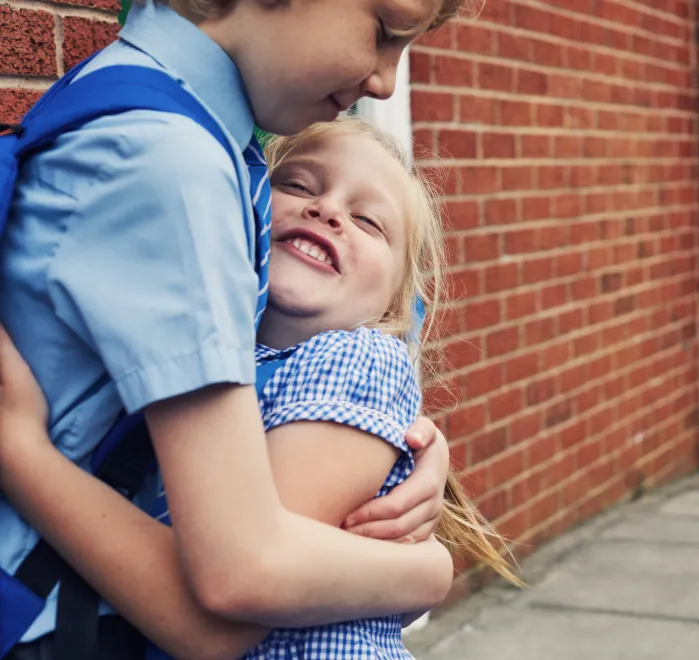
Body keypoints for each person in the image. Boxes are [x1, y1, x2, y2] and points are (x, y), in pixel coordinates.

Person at [0, 0, 465, 655]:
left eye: (367, 221)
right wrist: (429, 572)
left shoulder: (148, 109)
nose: (386, 82)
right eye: (384, 31)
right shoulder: (180, 167)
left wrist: (390, 437)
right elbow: (240, 580)